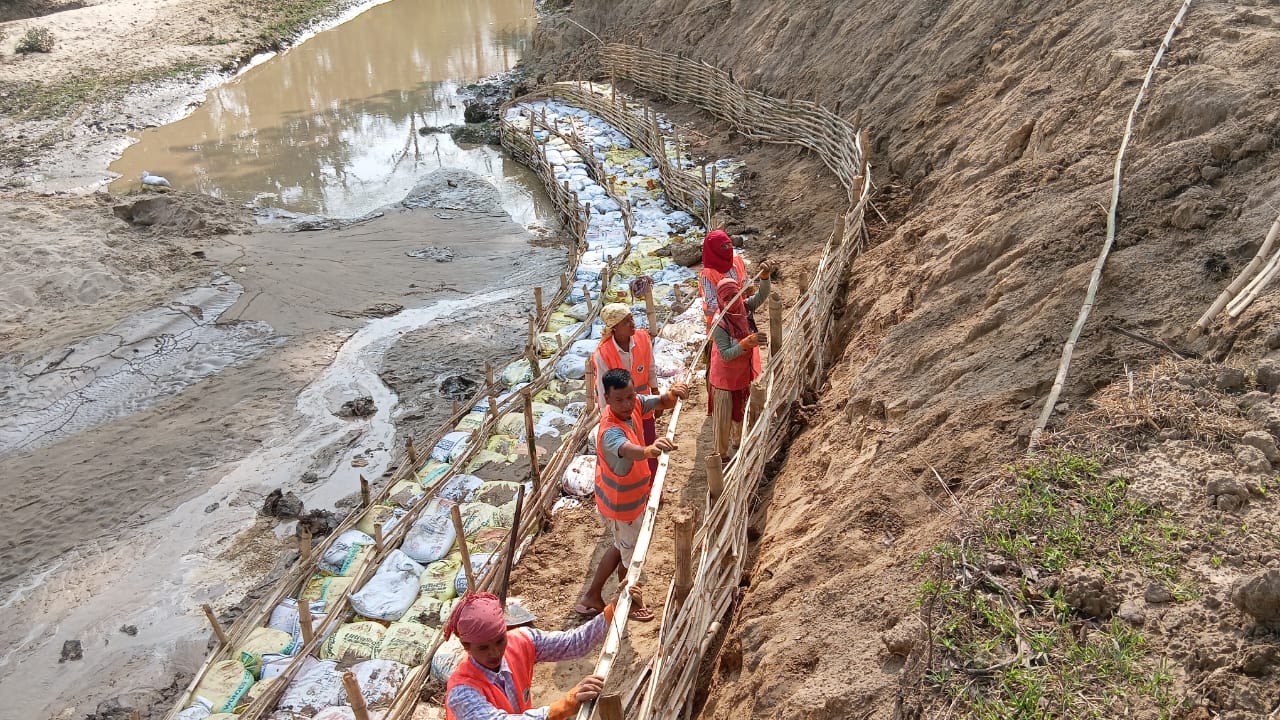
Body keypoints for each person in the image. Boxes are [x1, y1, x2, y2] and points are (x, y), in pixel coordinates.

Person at [576, 368, 688, 619]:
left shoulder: (634, 404)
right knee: (631, 558)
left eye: (630, 397)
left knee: (620, 546)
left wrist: (673, 394)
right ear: (606, 398)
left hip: (629, 500)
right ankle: (629, 603)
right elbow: (626, 449)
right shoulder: (609, 431)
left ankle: (592, 595)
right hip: (622, 506)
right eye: (619, 400)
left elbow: (660, 402)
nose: (627, 404)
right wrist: (648, 450)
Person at [444, 590, 634, 720]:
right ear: (466, 646)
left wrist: (615, 610)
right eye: (483, 648)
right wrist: (562, 707)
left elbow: (574, 642)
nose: (495, 653)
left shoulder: (521, 641)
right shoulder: (462, 692)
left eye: (500, 641)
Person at [709, 268, 772, 460]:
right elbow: (726, 354)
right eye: (726, 298)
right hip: (724, 378)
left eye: (734, 295)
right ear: (720, 300)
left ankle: (738, 442)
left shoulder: (744, 307)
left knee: (740, 411)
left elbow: (762, 295)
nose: (731, 301)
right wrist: (746, 343)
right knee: (723, 418)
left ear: (740, 293)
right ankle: (721, 455)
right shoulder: (719, 323)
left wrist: (764, 277)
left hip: (742, 372)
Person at [592, 303, 661, 475]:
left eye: (631, 318)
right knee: (631, 451)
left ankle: (653, 485)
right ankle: (640, 485)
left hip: (643, 405)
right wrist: (607, 417)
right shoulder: (603, 353)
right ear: (614, 327)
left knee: (650, 445)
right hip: (621, 412)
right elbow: (602, 390)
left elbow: (650, 368)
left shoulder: (642, 338)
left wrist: (656, 392)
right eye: (626, 321)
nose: (632, 323)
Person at [698, 229, 750, 331]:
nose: (727, 249)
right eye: (723, 246)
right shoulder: (708, 274)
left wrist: (748, 288)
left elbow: (744, 280)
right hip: (722, 324)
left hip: (743, 317)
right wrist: (735, 302)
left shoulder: (737, 261)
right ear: (713, 250)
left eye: (729, 244)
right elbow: (711, 304)